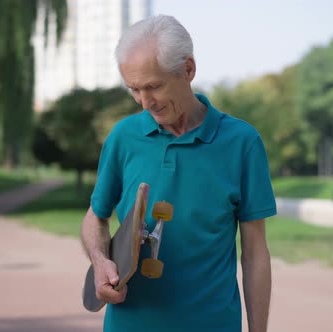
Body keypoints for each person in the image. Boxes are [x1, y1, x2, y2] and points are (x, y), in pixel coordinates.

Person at [80, 14, 276, 332]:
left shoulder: (243, 143)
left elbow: (255, 254)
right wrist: (100, 260)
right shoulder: (123, 137)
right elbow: (95, 217)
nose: (145, 103)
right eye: (134, 90)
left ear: (188, 69)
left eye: (153, 87)